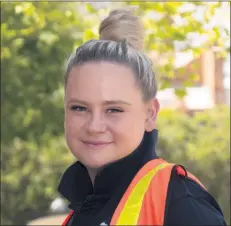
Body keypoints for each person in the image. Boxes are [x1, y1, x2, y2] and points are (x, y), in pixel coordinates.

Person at [58, 8, 227, 226]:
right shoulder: (79, 213)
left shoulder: (178, 202)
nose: (94, 126)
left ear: (150, 114)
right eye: (80, 108)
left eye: (114, 109)